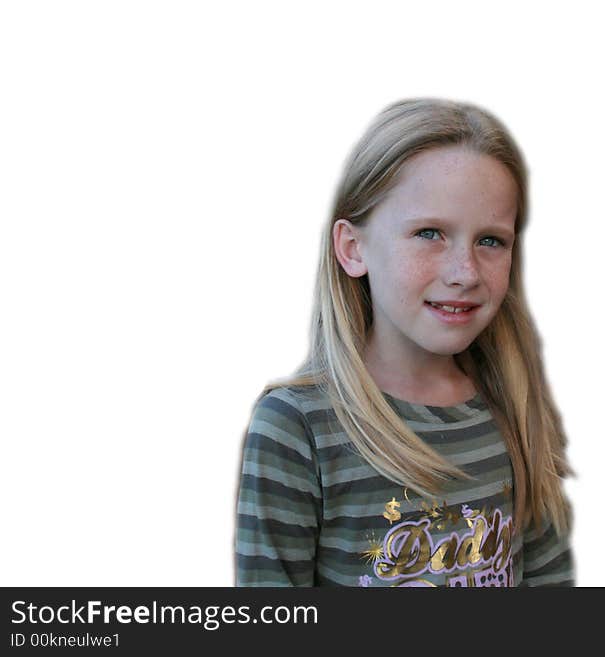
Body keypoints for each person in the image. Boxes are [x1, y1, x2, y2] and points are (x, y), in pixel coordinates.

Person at [234, 97, 576, 587]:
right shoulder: (298, 429)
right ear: (353, 249)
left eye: (491, 240)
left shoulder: (514, 405)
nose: (465, 273)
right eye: (429, 233)